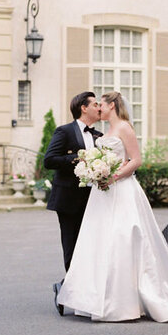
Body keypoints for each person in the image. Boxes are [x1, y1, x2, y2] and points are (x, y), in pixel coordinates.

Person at [57, 91, 168, 322]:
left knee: (124, 238)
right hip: (102, 194)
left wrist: (113, 177)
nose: (99, 109)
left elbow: (136, 160)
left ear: (112, 106)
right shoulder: (105, 131)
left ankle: (127, 300)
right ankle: (97, 298)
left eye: (102, 105)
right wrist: (94, 172)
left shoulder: (125, 128)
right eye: (96, 105)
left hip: (122, 190)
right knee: (99, 241)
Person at [43, 91, 103, 315]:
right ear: (83, 108)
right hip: (68, 199)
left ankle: (72, 288)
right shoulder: (64, 131)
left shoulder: (99, 135)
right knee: (72, 247)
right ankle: (68, 289)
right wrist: (77, 158)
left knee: (91, 247)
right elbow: (49, 160)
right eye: (95, 104)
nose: (99, 108)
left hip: (95, 200)